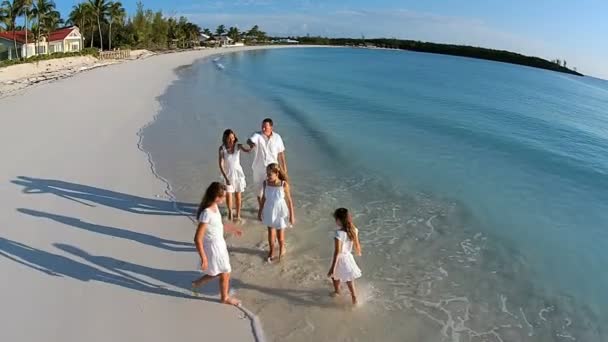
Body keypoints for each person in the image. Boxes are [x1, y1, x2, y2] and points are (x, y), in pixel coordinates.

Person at [192, 182, 242, 306]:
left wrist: (232, 229)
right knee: (225, 271)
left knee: (219, 271)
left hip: (220, 244)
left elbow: (218, 225)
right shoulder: (206, 213)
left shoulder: (215, 208)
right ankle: (224, 297)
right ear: (216, 197)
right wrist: (203, 257)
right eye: (223, 197)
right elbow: (197, 238)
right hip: (214, 247)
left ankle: (197, 283)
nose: (225, 199)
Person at [247, 118, 288, 214]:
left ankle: (273, 209)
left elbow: (281, 153)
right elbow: (249, 140)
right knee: (259, 191)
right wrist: (251, 144)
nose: (263, 129)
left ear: (271, 127)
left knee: (275, 189)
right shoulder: (257, 135)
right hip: (259, 168)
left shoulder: (277, 137)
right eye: (262, 126)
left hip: (273, 169)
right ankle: (262, 208)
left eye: (265, 127)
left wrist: (284, 167)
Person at [258, 163, 295, 262]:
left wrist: (292, 215)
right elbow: (264, 198)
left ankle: (282, 247)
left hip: (280, 211)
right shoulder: (265, 183)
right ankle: (271, 250)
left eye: (270, 174)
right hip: (269, 210)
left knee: (280, 236)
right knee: (270, 231)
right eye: (267, 174)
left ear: (276, 173)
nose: (268, 176)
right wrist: (260, 211)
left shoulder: (284, 184)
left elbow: (290, 201)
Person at [327, 208, 362, 305]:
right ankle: (353, 297)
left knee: (336, 276)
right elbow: (357, 244)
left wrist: (332, 267)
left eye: (335, 219)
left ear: (338, 220)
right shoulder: (354, 229)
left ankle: (339, 292)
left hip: (340, 258)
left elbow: (337, 252)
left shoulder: (338, 233)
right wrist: (358, 251)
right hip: (348, 257)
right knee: (348, 278)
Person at [219, 129, 251, 222]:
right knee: (229, 194)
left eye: (233, 138)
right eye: (229, 138)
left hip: (238, 174)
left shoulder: (238, 146)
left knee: (238, 194)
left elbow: (247, 150)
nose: (231, 140)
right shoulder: (222, 148)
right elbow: (221, 164)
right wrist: (225, 177)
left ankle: (238, 214)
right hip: (227, 174)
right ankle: (230, 212)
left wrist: (251, 146)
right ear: (225, 138)